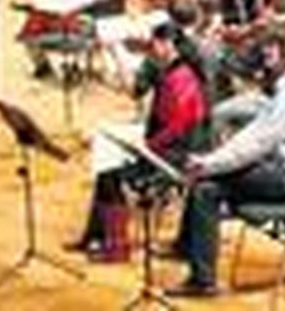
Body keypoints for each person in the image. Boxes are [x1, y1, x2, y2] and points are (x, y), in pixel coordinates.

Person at [171, 28, 285, 297]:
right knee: (206, 189)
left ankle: (200, 275)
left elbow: (254, 147)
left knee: (205, 182)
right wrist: (211, 161)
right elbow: (253, 134)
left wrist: (207, 165)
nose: (266, 52)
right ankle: (201, 275)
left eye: (274, 46)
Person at [68, 23, 208, 262]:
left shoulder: (181, 78)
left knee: (113, 178)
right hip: (164, 146)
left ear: (168, 45)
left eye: (155, 43)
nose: (152, 49)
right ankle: (95, 237)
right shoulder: (171, 71)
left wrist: (147, 147)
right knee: (106, 173)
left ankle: (118, 248)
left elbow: (177, 127)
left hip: (175, 155)